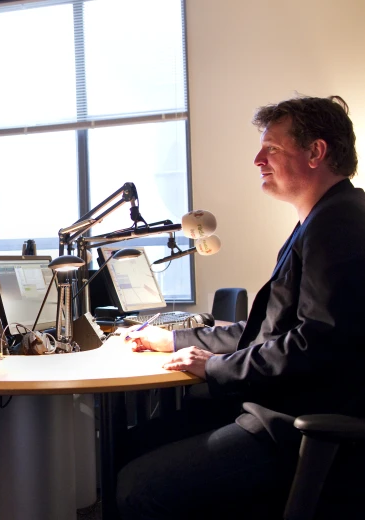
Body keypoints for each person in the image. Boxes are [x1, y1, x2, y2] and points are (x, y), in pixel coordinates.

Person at [117, 95, 365, 519]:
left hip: (293, 426)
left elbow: (314, 343)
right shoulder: (324, 217)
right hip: (284, 407)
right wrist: (173, 337)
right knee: (132, 443)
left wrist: (213, 366)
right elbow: (267, 328)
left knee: (139, 487)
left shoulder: (337, 224)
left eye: (271, 148)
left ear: (315, 152)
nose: (257, 159)